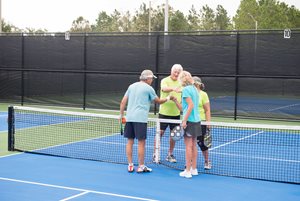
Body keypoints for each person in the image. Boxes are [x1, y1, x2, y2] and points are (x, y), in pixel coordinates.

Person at [120, 69, 171, 173]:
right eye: (151, 78)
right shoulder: (149, 88)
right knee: (141, 143)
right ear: (147, 78)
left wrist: (121, 115)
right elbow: (159, 101)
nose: (152, 80)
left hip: (129, 117)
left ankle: (130, 165)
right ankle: (141, 166)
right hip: (140, 119)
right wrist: (168, 98)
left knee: (130, 142)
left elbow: (123, 101)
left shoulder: (131, 86)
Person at [172, 71, 201, 178]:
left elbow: (190, 106)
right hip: (197, 120)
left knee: (188, 146)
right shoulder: (194, 89)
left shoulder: (186, 90)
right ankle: (194, 169)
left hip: (189, 121)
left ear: (181, 79)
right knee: (194, 145)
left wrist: (184, 120)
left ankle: (187, 171)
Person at [156, 64, 183, 163]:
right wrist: (173, 89)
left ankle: (170, 154)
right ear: (171, 71)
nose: (176, 74)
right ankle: (156, 154)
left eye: (178, 72)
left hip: (175, 114)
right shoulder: (165, 80)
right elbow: (164, 89)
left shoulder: (181, 82)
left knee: (174, 135)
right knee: (160, 133)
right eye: (175, 72)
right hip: (164, 113)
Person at [193, 76, 212, 170]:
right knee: (191, 143)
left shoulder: (203, 94)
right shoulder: (190, 93)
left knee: (202, 144)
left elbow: (207, 110)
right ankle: (191, 162)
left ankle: (207, 160)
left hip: (201, 122)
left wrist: (208, 122)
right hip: (191, 122)